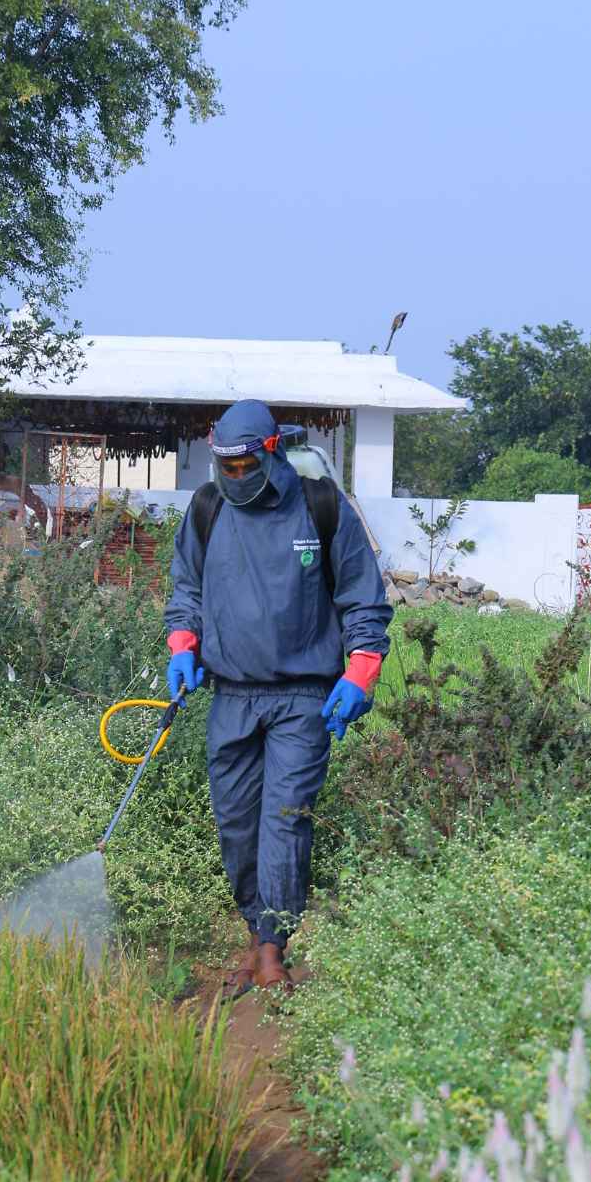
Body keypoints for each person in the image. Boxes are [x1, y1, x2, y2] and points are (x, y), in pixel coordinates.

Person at [164, 398, 392, 994]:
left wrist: (360, 671)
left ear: (271, 452)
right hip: (231, 696)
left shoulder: (319, 507)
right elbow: (185, 584)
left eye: (245, 467)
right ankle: (254, 932)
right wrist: (183, 644)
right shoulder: (208, 508)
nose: (235, 478)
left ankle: (273, 949)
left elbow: (363, 599)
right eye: (225, 468)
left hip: (303, 698)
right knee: (236, 824)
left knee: (285, 820)